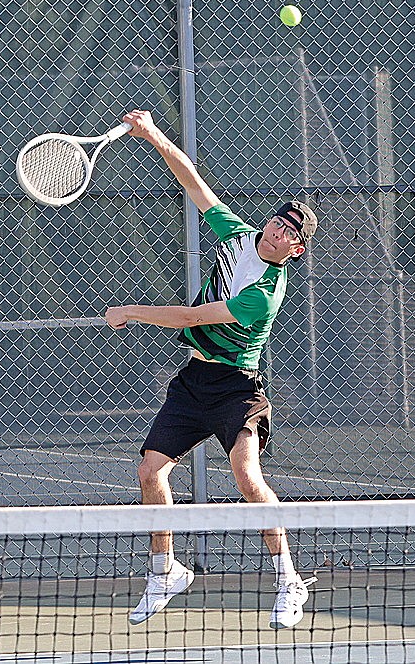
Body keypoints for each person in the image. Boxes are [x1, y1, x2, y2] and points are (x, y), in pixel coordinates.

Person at [105, 110, 319, 629]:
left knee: (248, 479)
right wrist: (153, 134)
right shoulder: (236, 235)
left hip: (236, 389)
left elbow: (195, 316)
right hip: (193, 380)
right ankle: (165, 572)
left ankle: (289, 580)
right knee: (150, 472)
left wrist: (132, 311)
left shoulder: (261, 296)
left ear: (297, 249)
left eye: (290, 231)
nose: (277, 229)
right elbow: (192, 181)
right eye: (277, 219)